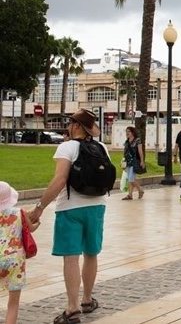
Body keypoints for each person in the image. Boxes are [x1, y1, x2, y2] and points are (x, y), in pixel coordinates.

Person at [28, 109, 110, 323]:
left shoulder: (67, 147)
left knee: (71, 257)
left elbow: (59, 180)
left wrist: (39, 207)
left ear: (75, 126)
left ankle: (72, 308)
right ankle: (87, 299)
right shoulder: (102, 147)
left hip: (69, 208)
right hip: (97, 207)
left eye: (70, 123)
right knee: (91, 253)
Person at [1, 181, 40, 324]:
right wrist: (38, 222)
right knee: (13, 303)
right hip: (15, 261)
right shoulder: (20, 212)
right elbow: (31, 228)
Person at [121, 126, 145, 200]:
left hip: (134, 161)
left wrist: (142, 161)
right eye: (126, 131)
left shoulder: (137, 140)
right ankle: (130, 195)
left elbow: (140, 151)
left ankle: (140, 190)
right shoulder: (127, 141)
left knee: (131, 179)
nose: (127, 133)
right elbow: (125, 152)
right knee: (130, 178)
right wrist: (123, 161)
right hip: (127, 162)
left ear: (133, 132)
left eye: (129, 131)